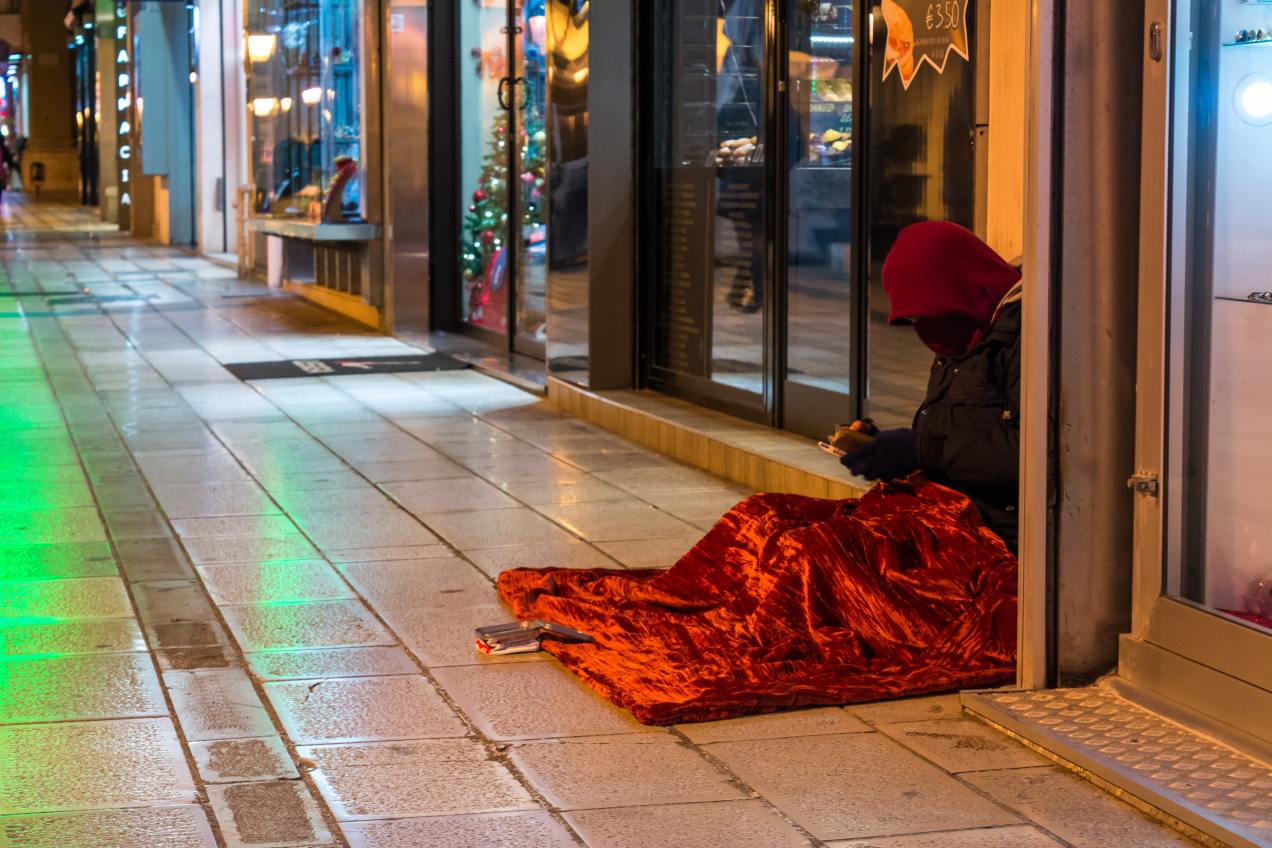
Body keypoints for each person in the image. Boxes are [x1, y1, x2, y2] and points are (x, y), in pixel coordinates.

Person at [840, 221, 1022, 553]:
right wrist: (882, 447)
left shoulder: (1028, 335)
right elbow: (952, 430)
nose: (923, 334)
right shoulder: (964, 335)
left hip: (994, 539)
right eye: (912, 323)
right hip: (945, 517)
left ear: (958, 291)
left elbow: (1033, 454)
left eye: (926, 317)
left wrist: (918, 449)